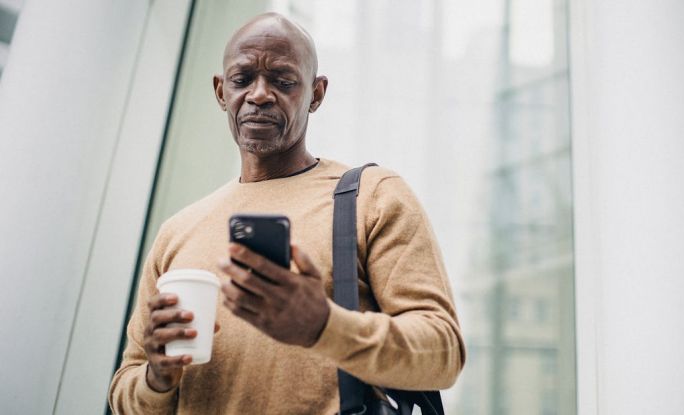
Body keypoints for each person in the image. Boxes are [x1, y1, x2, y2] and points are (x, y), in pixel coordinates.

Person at [109, 12, 464, 414]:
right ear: (220, 90)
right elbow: (126, 390)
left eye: (282, 80)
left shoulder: (373, 197)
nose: (259, 94)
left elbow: (442, 353)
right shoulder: (178, 232)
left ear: (316, 94)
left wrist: (323, 326)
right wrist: (156, 379)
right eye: (243, 79)